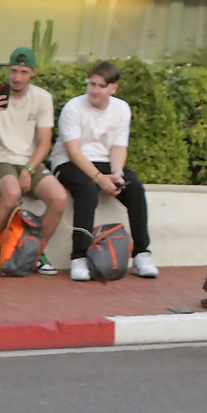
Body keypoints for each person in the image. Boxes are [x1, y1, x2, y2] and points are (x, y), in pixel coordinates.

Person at [54, 61, 159, 281]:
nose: (94, 90)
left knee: (135, 189)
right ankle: (79, 257)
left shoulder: (121, 108)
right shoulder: (73, 108)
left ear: (113, 88)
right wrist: (99, 178)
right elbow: (73, 151)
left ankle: (141, 253)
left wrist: (117, 173)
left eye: (101, 86)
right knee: (87, 190)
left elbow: (119, 146)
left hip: (104, 162)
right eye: (92, 83)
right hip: (69, 162)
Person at [0, 47, 67, 274]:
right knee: (12, 192)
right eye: (13, 71)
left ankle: (33, 251)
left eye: (23, 72)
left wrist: (28, 168)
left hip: (28, 160)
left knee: (59, 198)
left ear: (33, 72)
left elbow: (44, 142)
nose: (17, 77)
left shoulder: (42, 98)